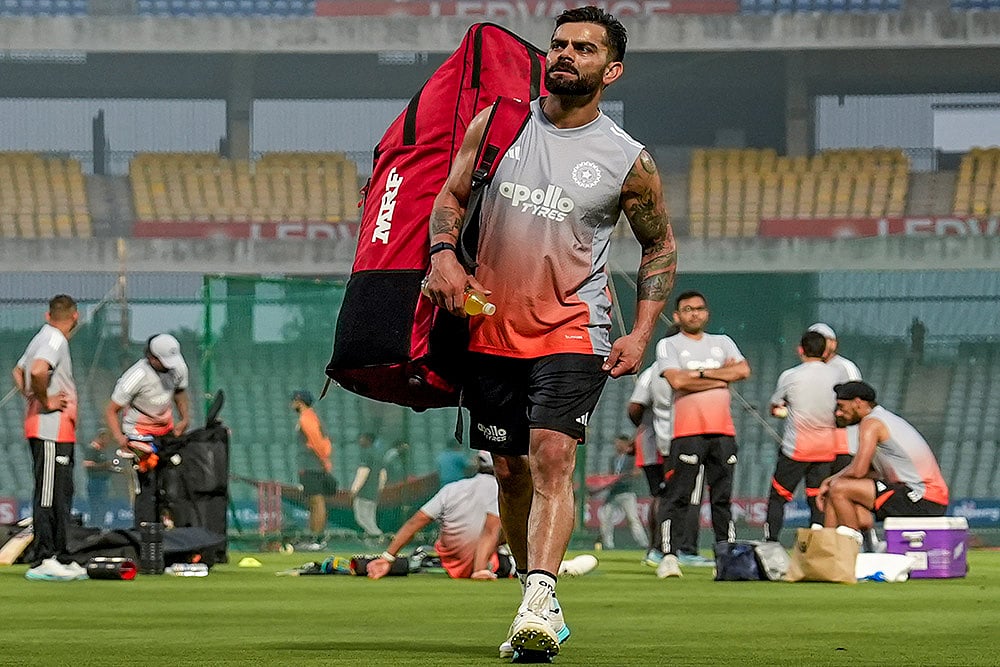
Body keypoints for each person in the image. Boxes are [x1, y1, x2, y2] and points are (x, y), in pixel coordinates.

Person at [422, 6, 676, 658]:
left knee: (553, 456)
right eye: (559, 44)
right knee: (509, 472)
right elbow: (448, 198)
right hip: (486, 327)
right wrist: (444, 256)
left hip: (575, 329)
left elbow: (660, 248)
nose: (564, 54)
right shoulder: (501, 124)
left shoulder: (628, 161)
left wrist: (641, 331)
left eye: (583, 48)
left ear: (611, 69)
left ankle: (538, 593)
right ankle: (537, 593)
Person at [654, 290, 750, 578]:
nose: (694, 314)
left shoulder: (723, 342)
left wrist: (696, 377)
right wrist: (719, 375)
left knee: (722, 498)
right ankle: (669, 555)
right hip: (687, 431)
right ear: (677, 315)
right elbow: (676, 380)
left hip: (722, 430)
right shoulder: (668, 345)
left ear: (706, 313)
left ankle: (726, 555)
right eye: (687, 309)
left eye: (699, 309)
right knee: (678, 496)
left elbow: (743, 371)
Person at [817, 381, 949, 546]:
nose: (838, 413)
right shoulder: (883, 419)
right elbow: (870, 471)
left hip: (923, 497)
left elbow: (859, 471)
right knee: (838, 493)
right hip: (919, 496)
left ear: (858, 403)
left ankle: (851, 549)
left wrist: (828, 481)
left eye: (842, 407)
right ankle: (829, 550)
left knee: (838, 488)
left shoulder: (871, 423)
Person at [12, 294, 87, 581]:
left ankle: (60, 554)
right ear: (75, 316)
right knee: (49, 494)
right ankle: (44, 558)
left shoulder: (42, 336)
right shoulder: (54, 339)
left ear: (48, 314)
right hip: (49, 430)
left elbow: (18, 371)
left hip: (56, 431)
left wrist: (31, 395)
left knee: (61, 493)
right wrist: (45, 401)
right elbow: (37, 370)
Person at [367, 451, 503, 581]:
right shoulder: (505, 493)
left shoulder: (452, 489)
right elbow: (491, 530)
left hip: (452, 564)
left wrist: (387, 557)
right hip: (490, 565)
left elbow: (416, 522)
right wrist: (479, 569)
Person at [764, 331, 846, 543]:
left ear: (801, 349)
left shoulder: (791, 376)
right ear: (824, 350)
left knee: (778, 497)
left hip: (796, 448)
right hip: (826, 449)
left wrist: (786, 411)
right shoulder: (837, 376)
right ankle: (817, 543)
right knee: (817, 498)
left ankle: (771, 542)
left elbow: (776, 407)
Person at [104, 333, 190, 527]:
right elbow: (111, 410)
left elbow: (180, 392)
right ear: (152, 357)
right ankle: (145, 536)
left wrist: (184, 418)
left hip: (165, 433)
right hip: (139, 435)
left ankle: (169, 531)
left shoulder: (178, 367)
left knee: (171, 483)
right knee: (147, 486)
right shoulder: (136, 376)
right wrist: (120, 438)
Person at [628, 362, 707, 567]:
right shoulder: (686, 370)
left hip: (650, 443)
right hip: (677, 440)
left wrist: (645, 424)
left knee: (660, 495)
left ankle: (656, 548)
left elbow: (635, 407)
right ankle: (683, 549)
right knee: (685, 495)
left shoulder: (651, 371)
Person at [808, 323, 863, 474]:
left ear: (833, 343)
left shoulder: (844, 367)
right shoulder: (809, 371)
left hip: (844, 444)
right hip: (820, 444)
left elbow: (856, 404)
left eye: (823, 340)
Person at [291, 389, 335, 546]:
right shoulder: (311, 416)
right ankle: (314, 537)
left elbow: (317, 441)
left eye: (293, 401)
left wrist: (324, 461)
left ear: (299, 401)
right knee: (313, 502)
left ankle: (317, 538)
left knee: (317, 502)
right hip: (313, 466)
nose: (292, 404)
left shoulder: (306, 418)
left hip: (312, 466)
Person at [595, 435, 647, 550]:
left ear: (625, 444)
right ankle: (608, 544)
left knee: (633, 518)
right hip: (613, 493)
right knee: (606, 518)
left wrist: (623, 476)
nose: (616, 446)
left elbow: (637, 472)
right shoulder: (613, 459)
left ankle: (643, 543)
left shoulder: (631, 457)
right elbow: (610, 475)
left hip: (627, 492)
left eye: (619, 443)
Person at [350, 432, 384, 539]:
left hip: (364, 492)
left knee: (362, 518)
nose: (360, 441)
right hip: (373, 493)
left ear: (368, 440)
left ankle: (377, 537)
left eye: (362, 438)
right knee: (370, 518)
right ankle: (375, 538)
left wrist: (355, 489)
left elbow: (363, 471)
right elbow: (383, 473)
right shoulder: (378, 454)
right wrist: (379, 489)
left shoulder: (366, 454)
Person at [83, 428, 116, 529]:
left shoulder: (103, 451)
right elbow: (87, 464)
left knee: (103, 505)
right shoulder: (91, 449)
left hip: (103, 481)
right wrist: (103, 465)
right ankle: (94, 526)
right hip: (95, 482)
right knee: (96, 505)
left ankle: (100, 524)